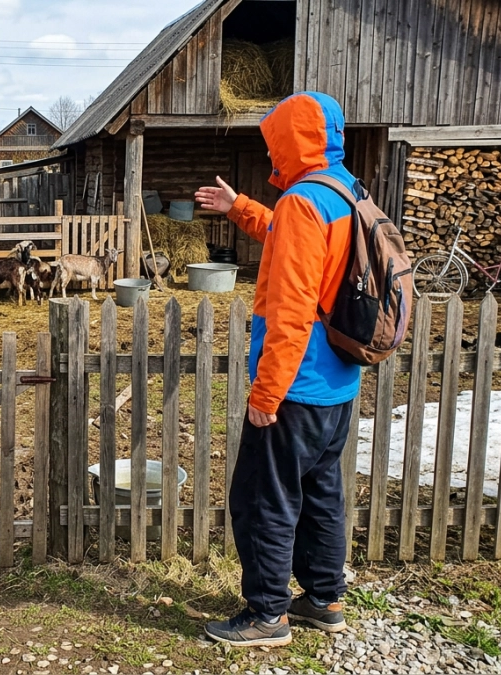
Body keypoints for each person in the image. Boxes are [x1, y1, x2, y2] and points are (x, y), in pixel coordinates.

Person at [194, 92, 361, 647]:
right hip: (337, 383)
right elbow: (296, 245)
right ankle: (323, 599)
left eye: (274, 143)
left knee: (265, 499)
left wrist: (266, 395)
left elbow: (290, 311)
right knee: (321, 494)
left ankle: (267, 615)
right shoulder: (345, 192)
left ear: (293, 140)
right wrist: (240, 206)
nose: (271, 155)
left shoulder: (302, 202)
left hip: (296, 385)